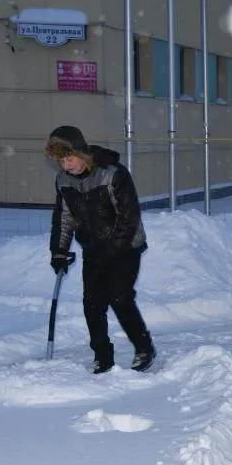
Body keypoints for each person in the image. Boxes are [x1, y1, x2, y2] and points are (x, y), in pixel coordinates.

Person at [45, 125, 156, 374]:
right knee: (92, 303)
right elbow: (64, 217)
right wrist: (59, 251)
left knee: (119, 296)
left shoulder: (112, 173)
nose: (66, 166)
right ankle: (102, 355)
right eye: (61, 161)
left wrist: (113, 250)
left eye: (69, 159)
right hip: (94, 247)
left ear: (81, 153)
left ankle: (143, 347)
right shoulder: (63, 180)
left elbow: (129, 217)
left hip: (125, 245)